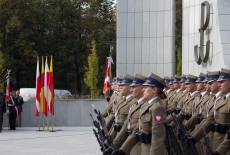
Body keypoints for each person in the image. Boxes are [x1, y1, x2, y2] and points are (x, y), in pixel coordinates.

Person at [111, 73, 168, 155]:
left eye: (146, 87)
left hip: (150, 151)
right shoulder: (146, 106)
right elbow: (136, 130)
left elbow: (157, 137)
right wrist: (122, 150)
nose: (143, 90)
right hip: (141, 149)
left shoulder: (157, 108)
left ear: (154, 90)